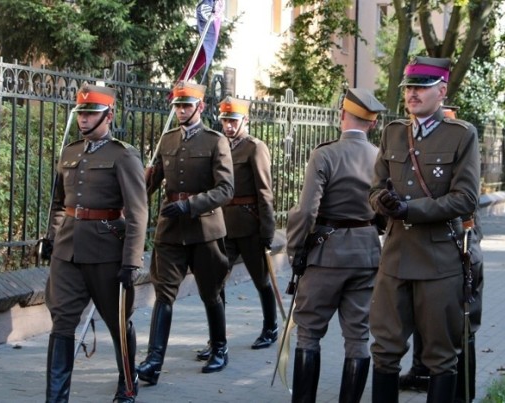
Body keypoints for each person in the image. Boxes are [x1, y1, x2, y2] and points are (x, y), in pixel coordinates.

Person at [368, 56, 481, 402]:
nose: (413, 93)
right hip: (396, 258)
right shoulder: (392, 133)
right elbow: (375, 187)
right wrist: (380, 202)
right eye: (409, 87)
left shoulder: (461, 135)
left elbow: (466, 199)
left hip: (438, 261)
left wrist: (410, 209)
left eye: (422, 87)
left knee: (440, 357)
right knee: (385, 350)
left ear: (442, 91)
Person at [44, 83, 148, 403]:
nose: (84, 119)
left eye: (91, 113)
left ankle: (127, 385)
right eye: (82, 113)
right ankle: (56, 397)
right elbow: (59, 203)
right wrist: (51, 237)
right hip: (68, 249)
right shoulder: (70, 152)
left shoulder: (123, 155)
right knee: (62, 321)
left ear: (108, 115)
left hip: (106, 252)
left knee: (117, 321)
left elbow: (137, 211)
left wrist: (132, 260)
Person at [286, 88, 386, 403]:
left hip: (325, 255)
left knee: (309, 333)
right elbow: (385, 209)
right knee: (358, 337)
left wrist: (296, 249)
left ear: (341, 115)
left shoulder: (325, 154)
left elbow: (306, 211)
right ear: (371, 123)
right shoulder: (381, 157)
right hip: (367, 254)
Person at [137, 81, 234, 382]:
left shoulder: (215, 141)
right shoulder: (166, 141)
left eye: (186, 105)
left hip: (204, 228)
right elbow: (150, 187)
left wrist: (190, 205)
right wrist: (138, 191)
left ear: (200, 107)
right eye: (177, 105)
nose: (180, 110)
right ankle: (153, 362)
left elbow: (226, 190)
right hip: (170, 231)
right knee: (163, 293)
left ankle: (219, 348)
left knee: (210, 291)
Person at [398, 105, 485, 403]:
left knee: (462, 325)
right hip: (429, 248)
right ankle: (421, 369)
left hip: (460, 246)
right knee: (428, 320)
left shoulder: (463, 145)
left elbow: (465, 204)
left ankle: (463, 394)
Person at [196, 96, 277, 362]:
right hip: (222, 224)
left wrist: (267, 229)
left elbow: (265, 191)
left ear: (245, 120)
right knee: (215, 281)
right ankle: (216, 339)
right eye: (225, 121)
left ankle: (270, 327)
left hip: (249, 224)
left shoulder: (255, 148)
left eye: (233, 121)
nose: (228, 126)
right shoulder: (217, 145)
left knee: (261, 279)